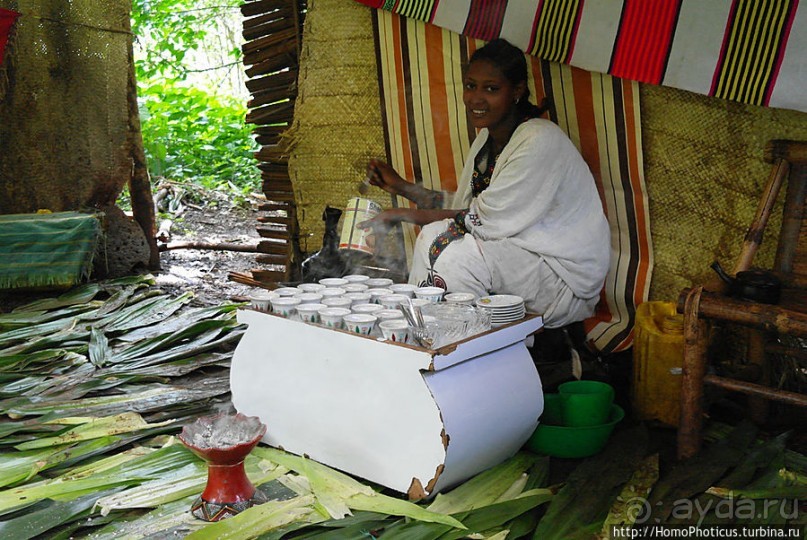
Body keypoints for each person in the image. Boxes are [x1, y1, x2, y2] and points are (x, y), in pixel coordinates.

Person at [361, 38, 610, 328]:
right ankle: (432, 334)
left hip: (562, 283)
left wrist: (404, 214)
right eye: (470, 86)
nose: (476, 99)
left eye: (491, 89)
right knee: (436, 237)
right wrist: (402, 188)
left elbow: (482, 219)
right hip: (517, 265)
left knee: (453, 255)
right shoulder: (485, 141)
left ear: (516, 91)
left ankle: (465, 343)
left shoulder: (539, 141)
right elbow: (466, 210)